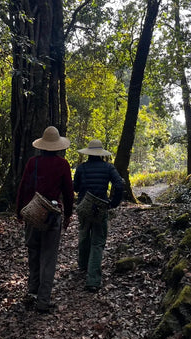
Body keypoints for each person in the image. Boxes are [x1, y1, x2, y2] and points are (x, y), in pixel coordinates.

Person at [16, 126, 73, 313]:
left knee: (33, 253)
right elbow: (68, 192)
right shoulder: (63, 164)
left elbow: (24, 186)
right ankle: (42, 300)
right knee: (48, 258)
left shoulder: (33, 162)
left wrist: (19, 211)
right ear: (57, 147)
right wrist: (68, 215)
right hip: (52, 215)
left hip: (33, 213)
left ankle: (32, 292)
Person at [74, 139, 124, 292]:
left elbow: (75, 187)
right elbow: (119, 184)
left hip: (84, 206)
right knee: (97, 241)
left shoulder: (81, 168)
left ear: (89, 153)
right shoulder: (108, 167)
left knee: (83, 235)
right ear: (101, 154)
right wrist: (113, 203)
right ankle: (93, 280)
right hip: (100, 207)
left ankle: (83, 265)